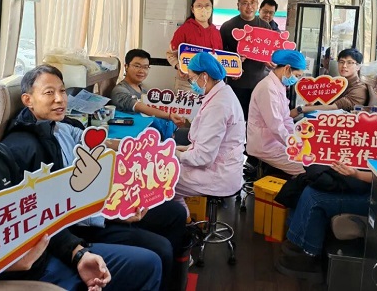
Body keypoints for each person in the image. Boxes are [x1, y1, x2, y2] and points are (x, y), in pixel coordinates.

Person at [0, 68, 162, 291]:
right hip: (1, 279)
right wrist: (1, 264)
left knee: (147, 264)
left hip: (49, 257)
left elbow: (41, 214)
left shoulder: (0, 155)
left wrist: (78, 254)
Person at [2, 65, 187, 291]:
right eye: (49, 93)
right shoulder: (25, 147)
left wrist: (150, 152)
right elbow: (56, 212)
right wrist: (115, 213)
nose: (60, 99)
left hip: (97, 202)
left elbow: (98, 143)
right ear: (28, 100)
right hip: (79, 225)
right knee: (160, 250)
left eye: (62, 91)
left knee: (174, 213)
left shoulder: (61, 126)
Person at [276, 66, 377, 278]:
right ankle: (297, 240)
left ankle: (308, 254)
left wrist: (356, 174)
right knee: (308, 179)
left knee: (315, 196)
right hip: (376, 183)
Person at [173, 52, 246, 215]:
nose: (192, 83)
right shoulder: (222, 93)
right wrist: (184, 149)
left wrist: (175, 154)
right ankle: (185, 219)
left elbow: (203, 158)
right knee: (168, 172)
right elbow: (211, 142)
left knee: (163, 178)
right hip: (221, 165)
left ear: (204, 76)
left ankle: (182, 221)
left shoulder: (219, 105)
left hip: (219, 175)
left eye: (192, 79)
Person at [246, 50, 307, 178]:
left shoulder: (279, 85)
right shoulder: (267, 88)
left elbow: (286, 118)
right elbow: (276, 125)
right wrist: (292, 144)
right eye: (297, 75)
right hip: (264, 144)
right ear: (287, 68)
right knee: (303, 168)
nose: (296, 80)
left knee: (306, 159)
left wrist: (295, 139)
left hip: (275, 140)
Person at [110, 49, 185, 140]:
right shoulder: (120, 91)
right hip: (138, 138)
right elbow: (141, 107)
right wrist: (169, 116)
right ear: (126, 66)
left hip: (163, 132)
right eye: (137, 66)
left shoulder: (144, 91)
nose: (142, 71)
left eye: (145, 67)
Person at [220, 0, 272, 120]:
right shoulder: (227, 26)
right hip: (236, 83)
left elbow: (269, 52)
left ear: (257, 5)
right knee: (236, 119)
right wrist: (233, 61)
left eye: (253, 2)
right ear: (238, 5)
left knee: (256, 119)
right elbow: (220, 55)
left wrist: (270, 61)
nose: (249, 7)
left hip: (259, 82)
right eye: (245, 3)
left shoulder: (265, 27)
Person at [166, 0, 223, 92]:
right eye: (199, 6)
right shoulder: (184, 29)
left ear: (212, 8)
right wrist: (179, 66)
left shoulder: (216, 32)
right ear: (192, 9)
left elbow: (220, 57)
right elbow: (170, 54)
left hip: (209, 85)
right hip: (187, 83)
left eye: (207, 6)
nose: (203, 9)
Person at [290, 48, 368, 117]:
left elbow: (334, 107)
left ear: (358, 66)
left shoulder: (359, 88)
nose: (344, 66)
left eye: (349, 62)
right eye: (341, 62)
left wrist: (300, 109)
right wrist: (312, 106)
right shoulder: (337, 83)